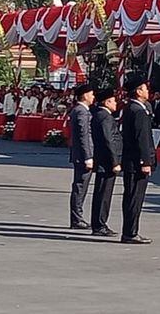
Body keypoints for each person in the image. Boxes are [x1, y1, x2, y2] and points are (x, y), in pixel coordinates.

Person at [121, 75, 155, 244]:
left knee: (130, 195)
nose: (148, 91)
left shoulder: (130, 108)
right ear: (138, 91)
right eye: (145, 88)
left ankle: (129, 230)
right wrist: (146, 161)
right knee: (135, 197)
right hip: (136, 162)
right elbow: (142, 139)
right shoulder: (139, 111)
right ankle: (131, 232)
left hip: (129, 160)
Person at [90, 89, 122, 236]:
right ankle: (100, 225)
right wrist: (115, 161)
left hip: (103, 160)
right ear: (107, 102)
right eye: (113, 100)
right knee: (103, 194)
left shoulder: (99, 115)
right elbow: (108, 140)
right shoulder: (105, 117)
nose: (116, 103)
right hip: (106, 161)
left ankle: (98, 223)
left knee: (101, 193)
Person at [69, 83, 95, 230]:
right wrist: (88, 156)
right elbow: (83, 135)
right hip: (83, 155)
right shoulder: (82, 111)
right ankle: (77, 218)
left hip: (80, 154)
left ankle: (76, 217)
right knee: (80, 187)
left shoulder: (78, 110)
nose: (93, 97)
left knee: (80, 186)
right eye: (91, 94)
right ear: (85, 95)